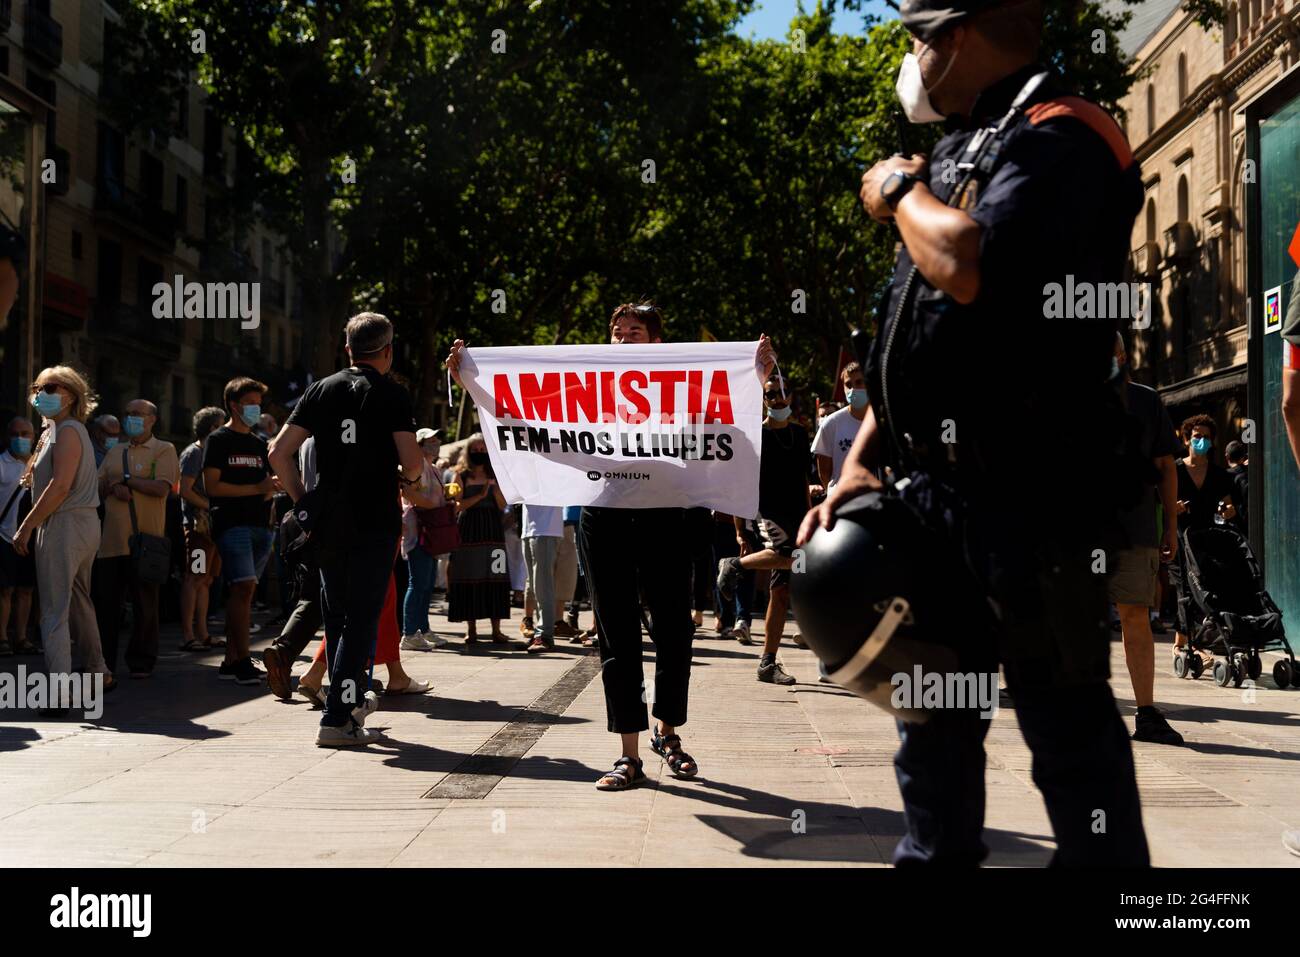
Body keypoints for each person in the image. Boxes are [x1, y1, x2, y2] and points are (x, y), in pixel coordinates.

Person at [800, 0, 1149, 865]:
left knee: (1067, 734)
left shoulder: (1065, 135)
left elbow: (959, 263)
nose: (914, 58)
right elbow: (922, 339)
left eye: (921, 38)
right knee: (934, 732)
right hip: (936, 495)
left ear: (958, 36)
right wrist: (860, 462)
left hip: (1034, 498)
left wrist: (897, 190)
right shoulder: (970, 143)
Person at [448, 302, 776, 790]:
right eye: (617, 333)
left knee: (672, 629)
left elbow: (728, 437)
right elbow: (531, 420)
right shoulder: (588, 389)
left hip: (668, 519)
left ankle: (668, 734)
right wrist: (473, 381)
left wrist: (756, 379)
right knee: (616, 633)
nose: (624, 341)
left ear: (657, 343)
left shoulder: (685, 391)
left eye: (635, 332)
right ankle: (628, 754)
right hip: (604, 520)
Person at [269, 312, 424, 747]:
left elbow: (279, 453)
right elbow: (411, 462)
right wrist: (410, 480)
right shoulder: (393, 394)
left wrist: (304, 504)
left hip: (328, 521)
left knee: (338, 615)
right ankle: (337, 718)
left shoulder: (321, 388)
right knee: (361, 620)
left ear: (348, 348)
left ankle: (350, 704)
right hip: (374, 518)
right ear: (388, 351)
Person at [12, 367, 114, 706]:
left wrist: (26, 526)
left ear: (70, 394)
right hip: (80, 524)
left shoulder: (66, 431)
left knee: (54, 610)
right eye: (38, 387)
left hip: (64, 523)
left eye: (51, 387)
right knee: (79, 600)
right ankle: (98, 670)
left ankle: (57, 693)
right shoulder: (62, 430)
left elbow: (60, 486)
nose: (42, 393)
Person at [1109, 334, 1182, 745]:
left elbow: (1166, 466)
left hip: (1133, 531)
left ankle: (1147, 712)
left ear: (1122, 356)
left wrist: (1169, 525)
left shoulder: (1145, 400)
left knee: (1135, 616)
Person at [718, 374, 807, 684]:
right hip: (765, 513)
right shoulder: (755, 437)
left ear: (791, 396)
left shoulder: (800, 434)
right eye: (771, 395)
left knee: (781, 592)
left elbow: (801, 483)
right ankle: (735, 564)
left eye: (782, 394)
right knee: (787, 556)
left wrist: (809, 516)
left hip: (798, 517)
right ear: (763, 401)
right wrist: (740, 530)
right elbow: (739, 484)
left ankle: (768, 662)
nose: (778, 400)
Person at [89, 398, 178, 679]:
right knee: (106, 607)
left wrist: (126, 482)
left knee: (145, 606)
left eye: (138, 414)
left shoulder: (164, 449)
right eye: (128, 414)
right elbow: (98, 487)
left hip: (146, 542)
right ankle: (104, 663)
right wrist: (112, 486)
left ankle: (141, 662)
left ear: (152, 419)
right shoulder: (116, 452)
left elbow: (162, 488)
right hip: (110, 544)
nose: (131, 419)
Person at [204, 377, 277, 686]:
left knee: (243, 593)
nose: (255, 409)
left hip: (262, 526)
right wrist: (255, 488)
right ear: (234, 405)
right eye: (250, 403)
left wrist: (272, 489)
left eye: (258, 404)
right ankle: (244, 660)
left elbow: (267, 484)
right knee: (244, 588)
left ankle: (232, 659)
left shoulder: (260, 444)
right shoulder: (218, 440)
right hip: (232, 524)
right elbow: (212, 487)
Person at [1169, 414, 1236, 666]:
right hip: (1178, 539)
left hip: (1207, 543)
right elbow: (1160, 502)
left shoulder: (1219, 474)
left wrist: (1227, 510)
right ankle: (1187, 645)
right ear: (1187, 439)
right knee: (1184, 590)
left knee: (1203, 591)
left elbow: (1228, 504)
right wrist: (1171, 507)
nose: (1201, 441)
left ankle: (1186, 643)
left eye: (1206, 437)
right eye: (1197, 436)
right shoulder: (1175, 470)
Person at [444, 435, 511, 645]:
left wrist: (495, 489)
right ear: (468, 451)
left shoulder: (495, 474)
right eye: (476, 448)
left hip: (492, 530)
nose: (480, 451)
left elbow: (502, 505)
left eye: (483, 448)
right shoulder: (461, 475)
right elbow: (457, 506)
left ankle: (496, 630)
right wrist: (480, 496)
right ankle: (471, 630)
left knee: (496, 575)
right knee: (468, 574)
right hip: (469, 530)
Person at [178, 407, 226, 652]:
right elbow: (184, 490)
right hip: (198, 529)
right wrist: (212, 506)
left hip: (212, 529)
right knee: (194, 578)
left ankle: (203, 632)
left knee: (206, 580)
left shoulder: (211, 452)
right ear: (212, 428)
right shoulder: (194, 453)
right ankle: (188, 634)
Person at [400, 427, 449, 650]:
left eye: (437, 440)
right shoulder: (413, 468)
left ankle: (422, 629)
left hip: (432, 533)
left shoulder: (435, 470)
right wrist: (437, 506)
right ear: (419, 444)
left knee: (427, 583)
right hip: (418, 533)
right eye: (430, 440)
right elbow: (409, 495)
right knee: (417, 582)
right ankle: (409, 633)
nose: (436, 444)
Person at [0, 416, 37, 655]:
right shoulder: (1, 464)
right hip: (5, 536)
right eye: (15, 434)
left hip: (32, 536)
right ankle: (2, 638)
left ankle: (22, 638)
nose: (20, 439)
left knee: (26, 589)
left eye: (25, 434)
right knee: (5, 589)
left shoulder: (39, 464)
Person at [812, 362, 870, 488]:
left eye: (859, 382)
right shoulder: (831, 424)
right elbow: (824, 473)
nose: (853, 389)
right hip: (842, 502)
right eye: (848, 385)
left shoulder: (881, 420)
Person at [522, 503, 564, 653]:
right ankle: (539, 634)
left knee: (543, 585)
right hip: (529, 528)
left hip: (546, 528)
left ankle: (545, 635)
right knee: (535, 586)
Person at [1224, 439, 1248, 533]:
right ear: (1243, 456)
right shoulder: (1252, 471)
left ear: (1227, 456)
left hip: (1235, 529)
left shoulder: (1224, 476)